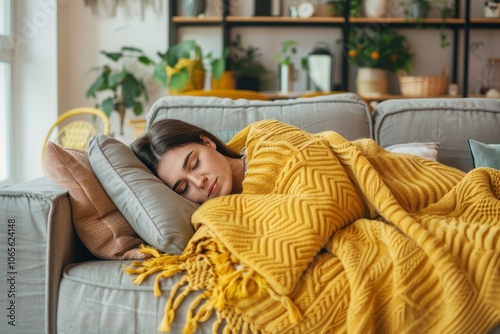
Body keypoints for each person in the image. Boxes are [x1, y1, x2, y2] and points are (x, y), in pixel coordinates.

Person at [130, 119, 246, 204]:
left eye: (195, 164)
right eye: (184, 188)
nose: (199, 182)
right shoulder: (208, 221)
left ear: (206, 142)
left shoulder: (261, 140)